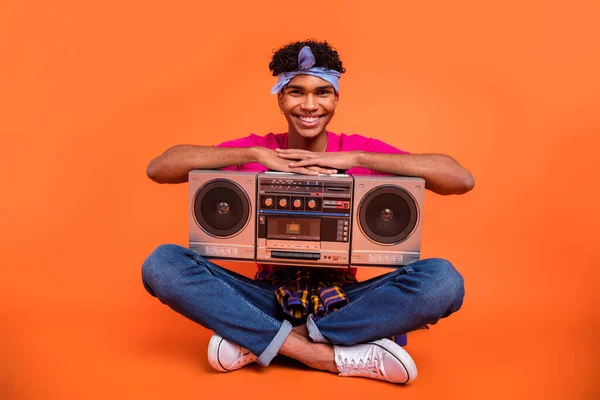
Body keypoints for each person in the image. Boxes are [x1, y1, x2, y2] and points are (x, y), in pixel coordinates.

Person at [142, 40, 474, 384]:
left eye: (323, 92)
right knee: (163, 264)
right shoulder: (257, 150)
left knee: (442, 282)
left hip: (344, 301)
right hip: (268, 296)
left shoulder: (360, 152)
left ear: (336, 99)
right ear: (281, 99)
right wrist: (256, 153)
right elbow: (159, 168)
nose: (310, 105)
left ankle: (262, 340)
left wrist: (357, 159)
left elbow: (460, 179)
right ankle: (326, 355)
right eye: (297, 92)